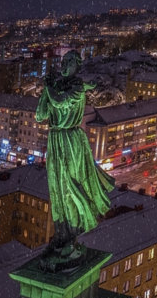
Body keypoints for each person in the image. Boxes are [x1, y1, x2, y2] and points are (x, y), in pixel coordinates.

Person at [36, 50, 114, 249]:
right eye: (63, 61)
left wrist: (48, 87)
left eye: (68, 62)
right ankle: (62, 231)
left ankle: (76, 226)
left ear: (76, 66)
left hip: (70, 140)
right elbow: (40, 115)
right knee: (57, 188)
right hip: (55, 139)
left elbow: (60, 101)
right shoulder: (56, 87)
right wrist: (46, 91)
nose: (63, 65)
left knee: (69, 184)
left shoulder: (77, 87)